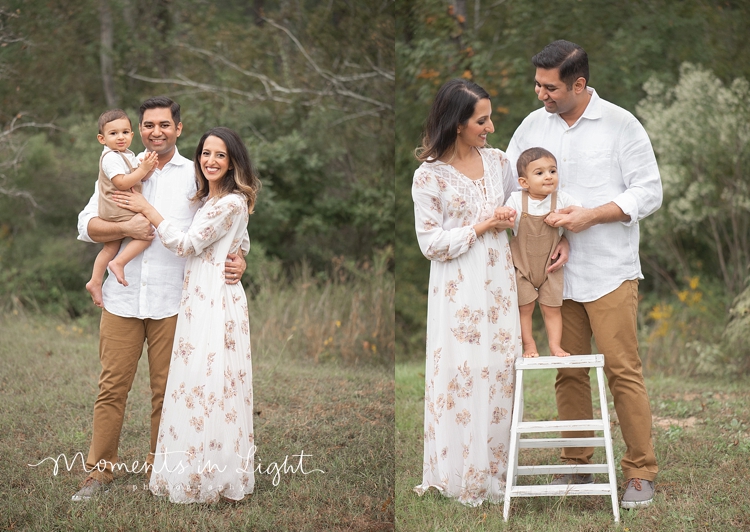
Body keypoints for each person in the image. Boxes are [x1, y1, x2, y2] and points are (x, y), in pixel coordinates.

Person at [506, 40, 663, 509]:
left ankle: (640, 471)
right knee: (568, 372)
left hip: (609, 272)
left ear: (578, 83)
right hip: (552, 279)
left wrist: (590, 216)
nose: (540, 95)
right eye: (536, 84)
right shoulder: (534, 125)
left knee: (622, 371)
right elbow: (508, 184)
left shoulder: (621, 124)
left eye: (549, 87)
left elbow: (649, 192)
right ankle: (576, 465)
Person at [72, 97, 248, 502]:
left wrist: (240, 261)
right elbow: (86, 223)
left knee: (166, 391)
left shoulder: (196, 175)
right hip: (122, 297)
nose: (156, 132)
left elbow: (227, 226)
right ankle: (99, 473)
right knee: (112, 386)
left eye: (164, 125)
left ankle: (161, 471)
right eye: (148, 125)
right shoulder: (123, 166)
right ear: (139, 128)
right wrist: (127, 223)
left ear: (178, 129)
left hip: (176, 302)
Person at [112, 126, 260, 503]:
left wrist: (148, 210)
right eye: (206, 153)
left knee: (213, 384)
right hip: (195, 299)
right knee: (194, 385)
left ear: (232, 163)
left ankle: (214, 476)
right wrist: (239, 254)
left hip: (215, 300)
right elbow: (241, 243)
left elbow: (188, 244)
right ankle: (191, 470)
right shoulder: (207, 200)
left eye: (221, 155)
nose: (211, 160)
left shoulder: (230, 202)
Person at [411, 79, 522, 506]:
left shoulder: (498, 162)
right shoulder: (429, 176)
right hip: (457, 288)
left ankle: (498, 470)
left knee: (498, 372)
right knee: (463, 374)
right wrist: (481, 226)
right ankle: (459, 473)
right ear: (458, 123)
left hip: (499, 283)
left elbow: (522, 211)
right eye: (482, 119)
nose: (490, 126)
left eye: (489, 117)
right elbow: (430, 243)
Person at [503, 147, 581, 358]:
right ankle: (529, 346)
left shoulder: (562, 199)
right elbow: (503, 219)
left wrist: (564, 218)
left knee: (552, 309)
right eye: (539, 173)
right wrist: (502, 215)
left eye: (552, 171)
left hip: (551, 267)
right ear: (524, 183)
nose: (548, 176)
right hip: (522, 267)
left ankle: (555, 346)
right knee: (525, 308)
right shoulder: (516, 201)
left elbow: (579, 214)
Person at [85, 109, 159, 307]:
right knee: (146, 233)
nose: (120, 137)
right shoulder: (110, 157)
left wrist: (147, 170)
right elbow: (122, 183)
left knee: (111, 245)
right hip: (117, 205)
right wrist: (142, 169)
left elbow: (140, 178)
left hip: (116, 206)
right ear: (102, 138)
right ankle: (118, 263)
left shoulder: (126, 155)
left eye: (125, 132)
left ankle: (95, 281)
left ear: (132, 135)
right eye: (113, 133)